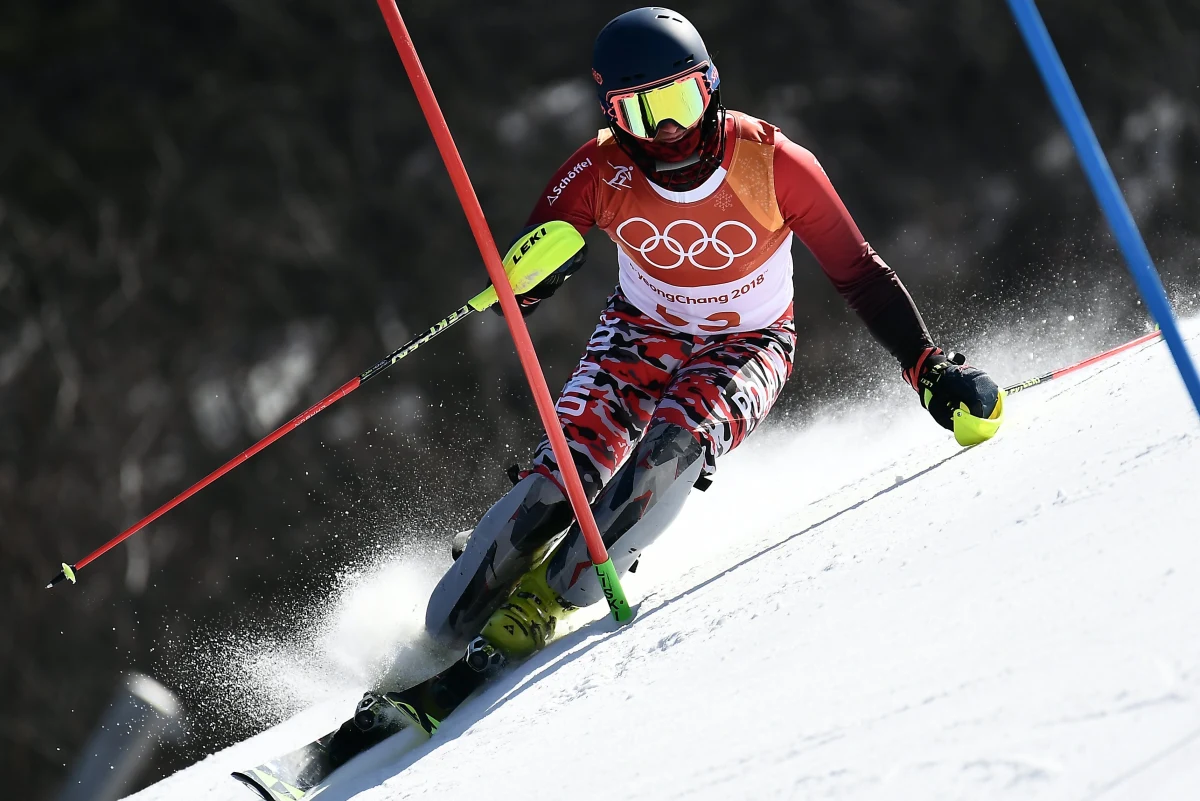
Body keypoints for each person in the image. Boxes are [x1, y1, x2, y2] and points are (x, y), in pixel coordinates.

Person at [425, 7, 1000, 663]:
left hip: (749, 343)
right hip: (638, 335)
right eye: (644, 113)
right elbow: (523, 275)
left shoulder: (774, 163)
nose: (670, 129)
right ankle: (462, 611)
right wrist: (524, 287)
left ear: (711, 86)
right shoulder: (597, 171)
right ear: (614, 116)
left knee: (671, 447)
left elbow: (859, 274)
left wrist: (925, 367)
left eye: (681, 100)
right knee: (558, 488)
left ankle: (551, 597)